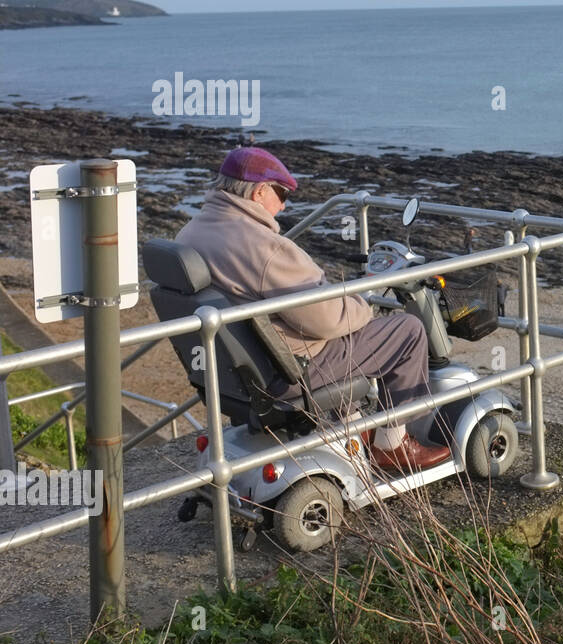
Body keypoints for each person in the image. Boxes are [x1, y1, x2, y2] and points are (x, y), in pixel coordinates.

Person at [174, 147, 447, 472]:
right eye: (282, 193)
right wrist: (364, 300)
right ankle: (392, 444)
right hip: (290, 372)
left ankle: (355, 424)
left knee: (362, 331)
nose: (285, 204)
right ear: (260, 191)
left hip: (234, 373)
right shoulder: (264, 247)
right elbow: (328, 320)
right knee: (406, 331)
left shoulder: (188, 235)